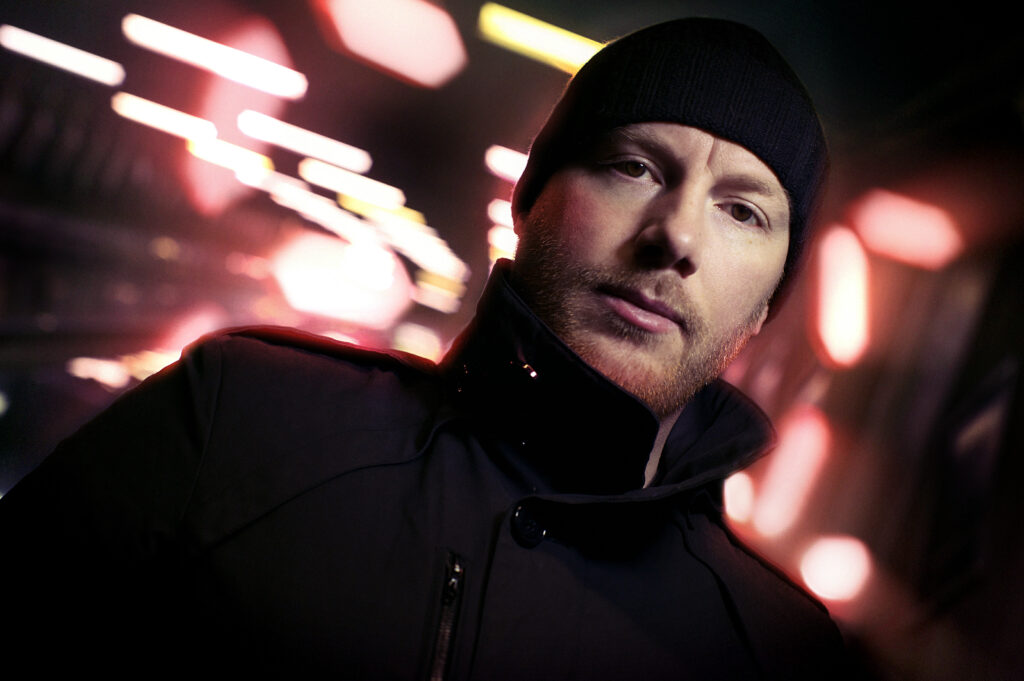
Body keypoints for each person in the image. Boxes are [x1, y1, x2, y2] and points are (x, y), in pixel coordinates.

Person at [0, 17, 846, 679]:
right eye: (634, 167)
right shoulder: (240, 418)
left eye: (743, 211)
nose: (676, 236)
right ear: (531, 201)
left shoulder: (781, 650)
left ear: (767, 304)